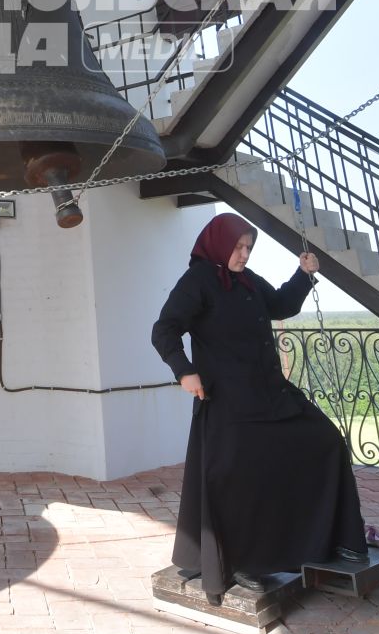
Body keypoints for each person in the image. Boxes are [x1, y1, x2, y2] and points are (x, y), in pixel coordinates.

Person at [151, 211, 367, 598]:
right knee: (241, 483)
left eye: (248, 247)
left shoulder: (246, 280)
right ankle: (242, 562)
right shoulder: (199, 280)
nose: (244, 253)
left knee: (326, 441)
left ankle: (333, 539)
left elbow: (281, 305)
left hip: (271, 394)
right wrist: (184, 372)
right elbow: (164, 328)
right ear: (219, 243)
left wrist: (303, 275)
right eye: (238, 246)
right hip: (229, 402)